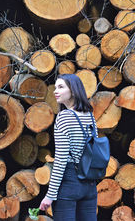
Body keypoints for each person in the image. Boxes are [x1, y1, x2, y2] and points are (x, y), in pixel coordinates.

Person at [39, 74, 97, 221]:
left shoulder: (64, 117)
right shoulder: (90, 116)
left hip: (69, 183)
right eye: (55, 87)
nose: (55, 91)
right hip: (89, 184)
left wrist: (50, 195)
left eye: (61, 87)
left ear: (73, 90)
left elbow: (61, 159)